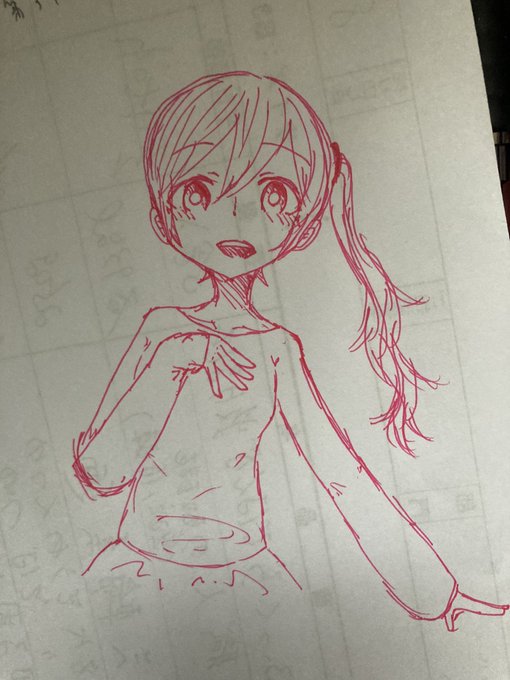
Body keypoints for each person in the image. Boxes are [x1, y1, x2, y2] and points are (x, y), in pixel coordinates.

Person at [73, 71, 507, 632]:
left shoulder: (276, 348)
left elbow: (339, 473)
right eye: (200, 192)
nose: (237, 214)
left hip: (246, 578)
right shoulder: (162, 331)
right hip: (140, 571)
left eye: (273, 194)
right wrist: (172, 365)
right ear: (164, 218)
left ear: (300, 227)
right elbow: (100, 473)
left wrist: (439, 594)